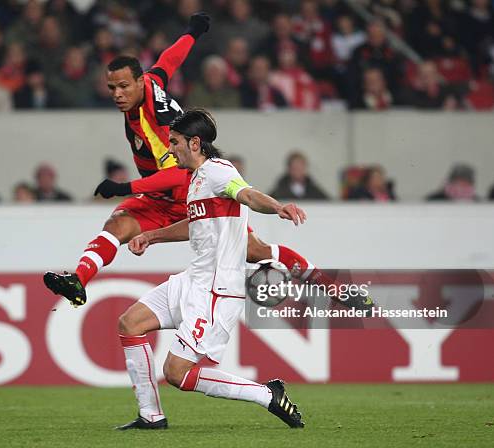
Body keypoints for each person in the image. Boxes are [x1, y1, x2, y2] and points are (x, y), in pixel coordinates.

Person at [43, 13, 370, 313]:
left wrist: (126, 186)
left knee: (257, 251)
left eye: (124, 86)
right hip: (162, 198)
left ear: (140, 82)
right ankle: (78, 281)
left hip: (192, 195)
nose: (116, 94)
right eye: (112, 87)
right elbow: (168, 61)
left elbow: (174, 176)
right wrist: (192, 32)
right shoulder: (151, 85)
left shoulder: (155, 123)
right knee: (117, 227)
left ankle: (337, 291)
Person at [119, 109, 306, 430]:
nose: (169, 149)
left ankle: (267, 395)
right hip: (193, 280)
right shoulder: (196, 179)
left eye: (174, 142)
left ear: (194, 143)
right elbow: (195, 224)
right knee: (129, 323)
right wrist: (151, 235)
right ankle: (150, 416)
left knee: (176, 373)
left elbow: (246, 194)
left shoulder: (218, 171)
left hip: (216, 291)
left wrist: (277, 207)